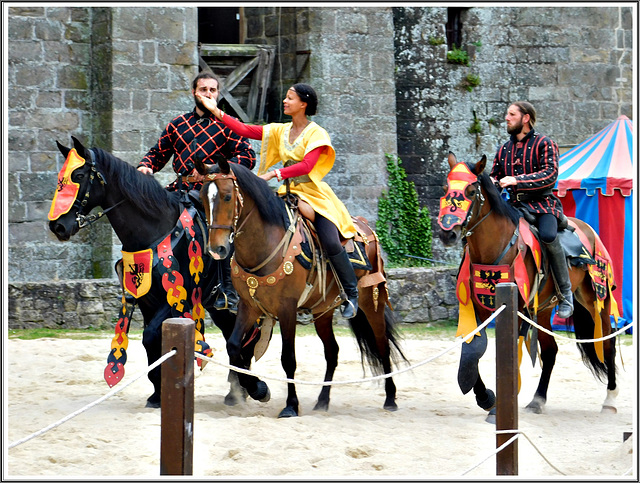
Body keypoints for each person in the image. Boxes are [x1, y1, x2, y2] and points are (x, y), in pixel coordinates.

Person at [195, 83, 360, 318]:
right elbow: (243, 129)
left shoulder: (316, 133)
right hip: (286, 192)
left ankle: (350, 293)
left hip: (314, 194)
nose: (285, 101)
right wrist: (215, 111)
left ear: (303, 104)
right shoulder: (280, 130)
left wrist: (274, 173)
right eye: (286, 97)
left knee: (330, 240)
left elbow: (307, 166)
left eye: (290, 98)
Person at [138, 71, 257, 313]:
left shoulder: (227, 124)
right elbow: (158, 152)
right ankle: (150, 281)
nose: (208, 94)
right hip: (179, 189)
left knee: (220, 231)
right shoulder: (178, 124)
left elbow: (247, 156)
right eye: (204, 90)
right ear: (194, 92)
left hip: (212, 194)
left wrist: (215, 172)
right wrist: (146, 165)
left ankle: (226, 290)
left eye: (213, 90)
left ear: (218, 94)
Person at [490, 101, 573, 318]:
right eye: (507, 114)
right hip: (514, 207)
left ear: (525, 118)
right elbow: (495, 176)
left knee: (547, 235)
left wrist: (516, 180)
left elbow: (549, 175)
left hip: (543, 205)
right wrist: (488, 182)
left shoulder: (545, 143)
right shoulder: (504, 149)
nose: (506, 118)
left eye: (512, 114)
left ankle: (565, 293)